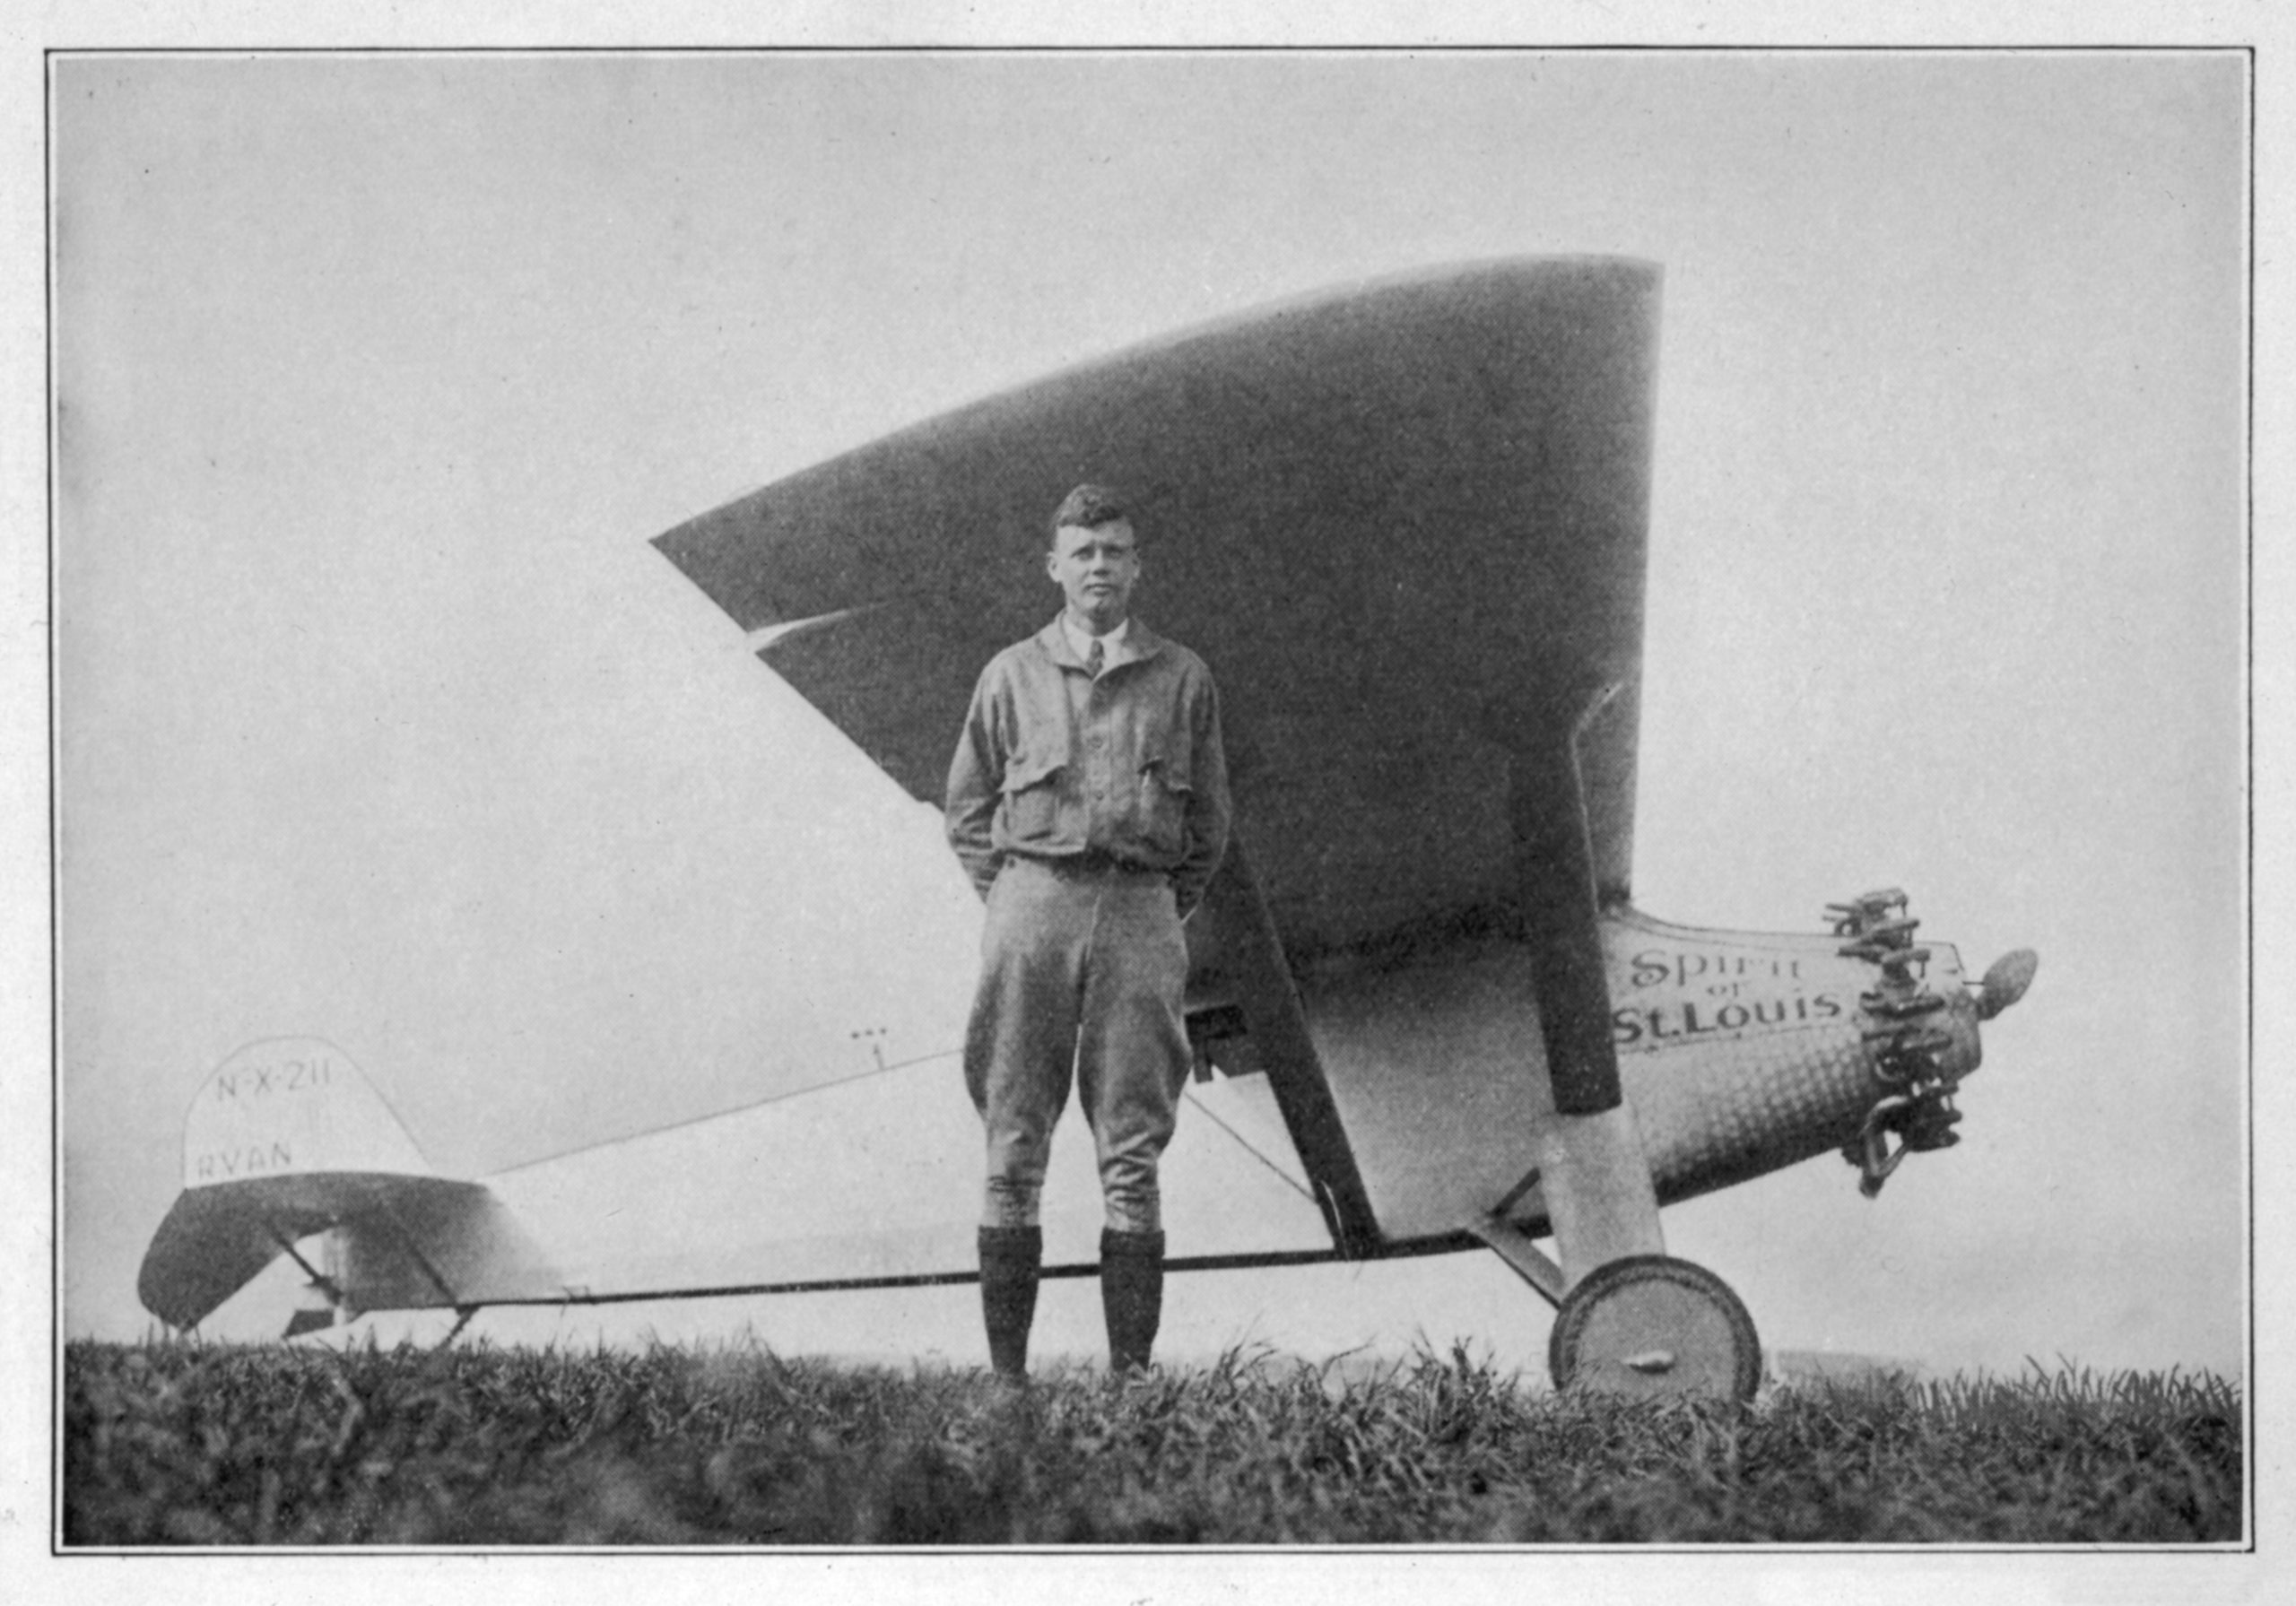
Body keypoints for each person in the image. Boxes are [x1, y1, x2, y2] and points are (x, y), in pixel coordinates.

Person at [945, 483, 1231, 1380]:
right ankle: (1006, 1385)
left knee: (1134, 1146)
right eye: (1083, 552)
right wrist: (1020, 897)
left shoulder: (1181, 677)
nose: (1099, 566)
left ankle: (1131, 1380)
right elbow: (965, 811)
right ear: (1055, 567)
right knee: (1013, 1139)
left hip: (1140, 908)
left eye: (1114, 551)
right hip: (1031, 906)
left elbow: (1210, 824)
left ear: (1136, 566)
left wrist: (1150, 909)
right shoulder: (1009, 675)